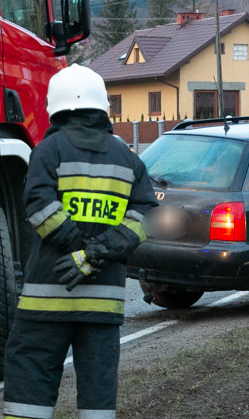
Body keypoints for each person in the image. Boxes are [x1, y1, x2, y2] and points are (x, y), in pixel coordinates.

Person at [2, 64, 158, 419]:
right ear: (102, 108)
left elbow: (39, 207)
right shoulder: (129, 161)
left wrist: (77, 249)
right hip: (102, 308)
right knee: (98, 397)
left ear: (54, 108)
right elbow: (146, 219)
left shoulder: (48, 150)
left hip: (45, 302)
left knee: (29, 387)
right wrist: (94, 253)